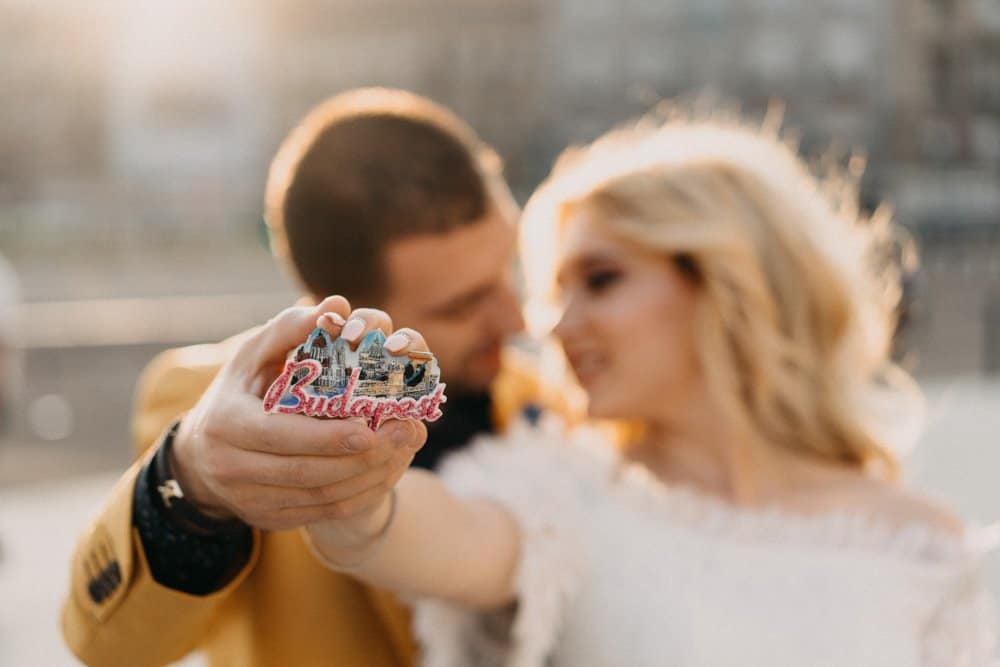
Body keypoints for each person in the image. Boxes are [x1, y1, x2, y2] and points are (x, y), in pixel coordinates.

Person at [304, 116, 998, 666]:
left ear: (729, 283)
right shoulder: (554, 490)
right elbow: (413, 531)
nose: (553, 325)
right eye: (554, 292)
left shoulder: (922, 545)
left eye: (600, 280)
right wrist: (345, 481)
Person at [62, 89, 549, 666]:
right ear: (348, 311)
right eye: (464, 305)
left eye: (506, 270)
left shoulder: (542, 396)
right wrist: (188, 480)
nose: (516, 318)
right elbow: (110, 646)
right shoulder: (212, 401)